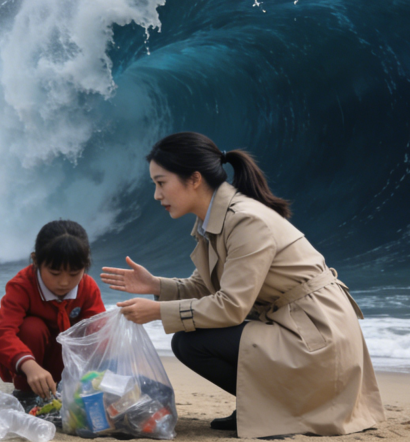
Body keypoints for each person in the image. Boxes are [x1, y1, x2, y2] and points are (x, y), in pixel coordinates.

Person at [101, 132, 385, 438]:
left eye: (161, 182)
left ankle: (275, 409)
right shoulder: (215, 218)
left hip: (318, 338)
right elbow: (207, 288)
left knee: (191, 343)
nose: (157, 195)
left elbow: (231, 307)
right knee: (189, 339)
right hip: (299, 328)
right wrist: (155, 285)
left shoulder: (246, 221)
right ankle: (266, 406)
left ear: (194, 179)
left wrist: (158, 311)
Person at [0, 220, 106, 409]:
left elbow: (99, 334)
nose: (64, 282)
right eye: (55, 272)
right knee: (32, 327)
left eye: (74, 273)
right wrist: (29, 365)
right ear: (35, 261)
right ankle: (25, 394)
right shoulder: (22, 285)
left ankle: (68, 389)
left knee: (95, 331)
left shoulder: (88, 287)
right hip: (25, 366)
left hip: (64, 366)